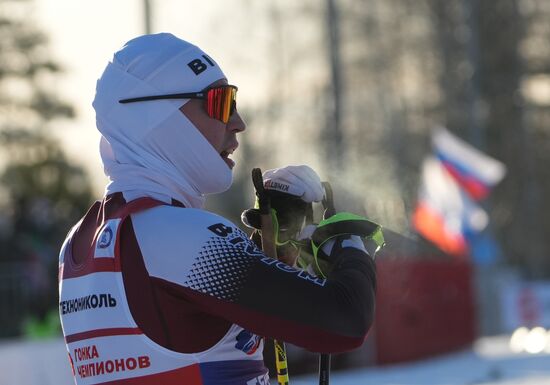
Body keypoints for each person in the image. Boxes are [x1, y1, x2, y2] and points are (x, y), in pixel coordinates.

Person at [58, 33, 377, 385]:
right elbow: (343, 320)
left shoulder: (81, 241)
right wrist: (347, 245)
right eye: (219, 103)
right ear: (156, 117)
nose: (237, 121)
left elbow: (201, 344)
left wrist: (271, 259)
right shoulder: (175, 233)